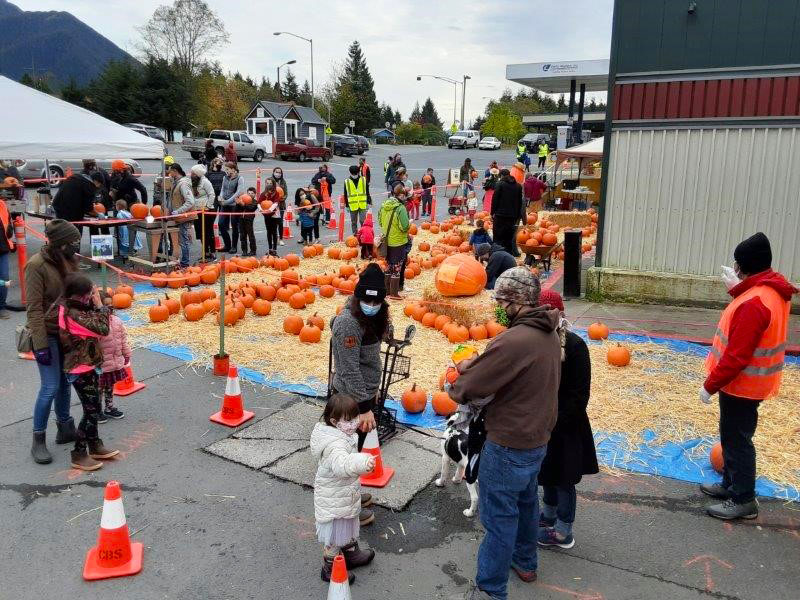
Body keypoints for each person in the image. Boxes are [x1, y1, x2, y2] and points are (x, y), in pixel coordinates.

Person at [449, 267, 561, 600]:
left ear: (514, 301)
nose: (499, 306)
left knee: (499, 517)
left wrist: (463, 373)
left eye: (501, 300)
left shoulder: (514, 340)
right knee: (526, 503)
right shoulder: (548, 331)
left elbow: (468, 387)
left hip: (509, 441)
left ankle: (490, 588)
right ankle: (526, 562)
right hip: (536, 437)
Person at [700, 232, 798, 520]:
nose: (735, 268)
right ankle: (730, 484)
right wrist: (739, 290)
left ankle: (744, 499)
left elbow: (737, 355)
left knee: (738, 440)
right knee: (731, 436)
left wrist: (710, 385)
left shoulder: (755, 302)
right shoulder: (768, 289)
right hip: (749, 383)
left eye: (738, 264)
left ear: (746, 267)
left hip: (742, 384)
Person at [536, 290, 598, 549]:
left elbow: (579, 393)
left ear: (561, 315)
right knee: (547, 473)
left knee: (564, 479)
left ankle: (563, 532)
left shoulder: (575, 346)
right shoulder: (537, 344)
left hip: (566, 426)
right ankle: (548, 516)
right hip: (542, 423)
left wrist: (557, 421)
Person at [330, 263, 390, 526]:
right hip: (348, 401)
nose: (371, 305)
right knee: (343, 457)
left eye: (376, 302)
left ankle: (351, 494)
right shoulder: (346, 324)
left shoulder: (376, 316)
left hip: (364, 396)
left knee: (354, 451)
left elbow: (370, 359)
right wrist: (365, 406)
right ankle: (344, 509)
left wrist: (372, 392)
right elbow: (349, 369)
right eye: (366, 300)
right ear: (358, 297)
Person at [26, 219, 80, 464]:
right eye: (72, 241)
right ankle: (38, 439)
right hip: (47, 333)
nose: (76, 245)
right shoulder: (36, 265)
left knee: (65, 382)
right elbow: (34, 309)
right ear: (59, 244)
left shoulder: (69, 260)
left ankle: (65, 427)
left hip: (66, 331)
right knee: (49, 387)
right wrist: (40, 344)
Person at [311, 393, 377, 583]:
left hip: (343, 493)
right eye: (349, 420)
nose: (355, 423)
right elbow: (342, 464)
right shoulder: (334, 444)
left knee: (347, 524)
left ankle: (350, 553)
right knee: (335, 532)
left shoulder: (343, 434)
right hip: (334, 498)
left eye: (356, 417)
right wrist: (362, 462)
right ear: (334, 421)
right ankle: (330, 566)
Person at [58, 273, 119, 471]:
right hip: (79, 367)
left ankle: (95, 444)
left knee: (93, 407)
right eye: (87, 295)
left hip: (88, 364)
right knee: (91, 411)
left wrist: (93, 304)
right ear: (77, 295)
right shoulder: (73, 315)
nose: (89, 298)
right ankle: (79, 452)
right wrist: (100, 305)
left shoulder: (75, 307)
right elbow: (103, 329)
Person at [96, 303, 131, 423]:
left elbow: (123, 339)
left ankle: (109, 407)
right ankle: (97, 411)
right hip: (101, 363)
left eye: (111, 306)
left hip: (114, 361)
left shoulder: (117, 321)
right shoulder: (96, 324)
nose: (109, 309)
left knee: (109, 385)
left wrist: (126, 354)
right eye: (106, 307)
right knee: (99, 388)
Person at [378, 185, 411, 297]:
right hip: (398, 242)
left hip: (386, 241)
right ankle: (394, 293)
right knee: (396, 267)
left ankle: (386, 290)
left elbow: (380, 222)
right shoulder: (400, 208)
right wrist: (409, 223)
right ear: (401, 195)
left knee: (388, 266)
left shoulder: (383, 206)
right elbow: (405, 227)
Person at [168, 163, 196, 268]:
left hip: (183, 217)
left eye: (170, 171)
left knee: (184, 240)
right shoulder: (177, 182)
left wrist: (179, 211)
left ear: (175, 171)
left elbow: (190, 201)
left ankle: (185, 263)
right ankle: (182, 261)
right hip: (178, 217)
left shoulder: (183, 184)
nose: (169, 173)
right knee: (181, 240)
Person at [490, 169, 523, 255]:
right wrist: (518, 215)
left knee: (498, 236)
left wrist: (492, 213)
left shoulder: (500, 184)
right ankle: (508, 254)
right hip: (512, 216)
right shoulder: (518, 186)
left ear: (501, 176)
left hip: (500, 215)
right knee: (508, 236)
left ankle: (497, 253)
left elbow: (495, 199)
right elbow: (520, 202)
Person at [189, 164, 216, 260]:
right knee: (200, 232)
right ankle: (205, 252)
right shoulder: (193, 182)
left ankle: (212, 252)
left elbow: (212, 194)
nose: (191, 174)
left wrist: (208, 206)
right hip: (197, 210)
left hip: (207, 211)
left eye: (193, 173)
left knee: (208, 232)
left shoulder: (205, 182)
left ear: (197, 174)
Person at [219, 162, 245, 253]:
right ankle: (227, 245)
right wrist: (221, 197)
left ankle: (234, 246)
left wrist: (227, 201)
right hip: (225, 203)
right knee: (221, 224)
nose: (226, 171)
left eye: (227, 169)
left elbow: (238, 193)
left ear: (233, 169)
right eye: (225, 169)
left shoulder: (240, 178)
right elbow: (222, 189)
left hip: (234, 204)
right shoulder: (224, 177)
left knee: (234, 226)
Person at [0, 192, 16, 318]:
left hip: (2, 248)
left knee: (4, 278)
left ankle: (1, 306)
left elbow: (8, 226)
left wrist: (10, 241)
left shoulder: (2, 205)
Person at [259, 182, 283, 256]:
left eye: (271, 190)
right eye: (269, 190)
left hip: (274, 215)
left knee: (274, 232)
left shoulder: (276, 194)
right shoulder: (263, 194)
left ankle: (274, 249)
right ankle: (270, 249)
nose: (270, 192)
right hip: (266, 215)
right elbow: (259, 203)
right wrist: (260, 209)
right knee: (268, 231)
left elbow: (276, 203)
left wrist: (270, 209)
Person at [344, 165, 369, 235]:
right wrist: (347, 205)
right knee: (353, 222)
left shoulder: (363, 180)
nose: (354, 175)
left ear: (358, 172)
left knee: (362, 221)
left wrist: (369, 202)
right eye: (353, 174)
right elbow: (345, 194)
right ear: (350, 173)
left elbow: (367, 191)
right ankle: (355, 235)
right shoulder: (347, 181)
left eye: (355, 173)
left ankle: (363, 234)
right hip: (352, 205)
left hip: (362, 204)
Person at [268, 167, 288, 246]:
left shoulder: (283, 181)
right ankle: (273, 238)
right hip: (272, 205)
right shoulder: (269, 181)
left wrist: (281, 198)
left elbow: (286, 193)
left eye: (280, 172)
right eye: (276, 172)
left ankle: (280, 239)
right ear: (273, 172)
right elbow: (267, 192)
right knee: (272, 223)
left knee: (280, 222)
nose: (278, 174)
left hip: (281, 205)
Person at [238, 186, 258, 256]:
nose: (250, 194)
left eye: (252, 193)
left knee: (250, 235)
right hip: (241, 219)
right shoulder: (243, 199)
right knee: (242, 236)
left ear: (255, 194)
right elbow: (238, 208)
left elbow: (251, 208)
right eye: (249, 193)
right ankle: (244, 250)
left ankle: (253, 250)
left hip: (249, 220)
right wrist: (238, 202)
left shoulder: (255, 202)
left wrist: (243, 204)